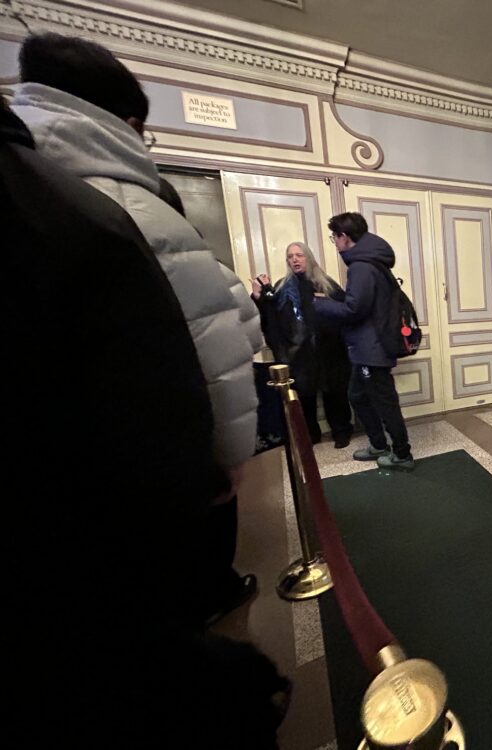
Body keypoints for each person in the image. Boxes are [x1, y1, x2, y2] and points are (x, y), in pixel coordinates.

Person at [2, 100, 289, 748]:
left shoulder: (62, 200)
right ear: (130, 125)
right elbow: (230, 341)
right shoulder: (94, 209)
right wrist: (229, 451)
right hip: (147, 467)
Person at [13, 33, 261, 623]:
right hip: (151, 448)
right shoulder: (134, 204)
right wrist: (230, 453)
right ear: (126, 123)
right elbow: (215, 339)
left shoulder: (25, 179)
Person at [316, 212, 414, 470]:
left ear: (344, 237)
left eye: (334, 237)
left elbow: (354, 310)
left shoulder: (361, 266)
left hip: (372, 348)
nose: (335, 243)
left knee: (384, 402)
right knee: (357, 395)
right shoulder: (369, 261)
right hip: (366, 346)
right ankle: (379, 444)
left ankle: (402, 454)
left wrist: (320, 304)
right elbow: (361, 304)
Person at [252, 242, 353, 447]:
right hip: (298, 353)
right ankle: (310, 435)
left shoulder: (326, 284)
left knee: (335, 393)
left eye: (299, 255)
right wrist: (258, 298)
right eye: (290, 256)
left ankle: (341, 431)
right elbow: (270, 318)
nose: (295, 260)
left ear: (308, 257)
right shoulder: (282, 288)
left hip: (329, 351)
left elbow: (344, 312)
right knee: (304, 397)